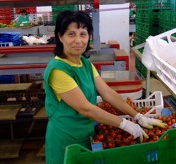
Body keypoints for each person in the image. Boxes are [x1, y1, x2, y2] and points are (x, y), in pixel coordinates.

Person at [44, 10, 167, 164]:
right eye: (71, 34)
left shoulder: (85, 63)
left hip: (87, 134)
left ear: (89, 37)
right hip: (66, 138)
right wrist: (124, 124)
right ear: (60, 36)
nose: (78, 40)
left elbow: (107, 93)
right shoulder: (58, 70)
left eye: (83, 34)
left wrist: (137, 116)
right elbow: (85, 109)